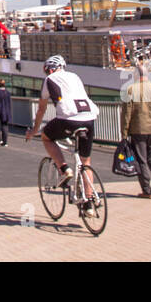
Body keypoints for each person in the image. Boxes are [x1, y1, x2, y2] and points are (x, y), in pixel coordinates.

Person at [26, 55, 99, 213]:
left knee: (47, 137)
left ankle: (64, 169)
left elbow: (41, 109)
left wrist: (34, 130)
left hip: (68, 118)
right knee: (86, 162)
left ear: (49, 69)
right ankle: (89, 203)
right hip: (89, 117)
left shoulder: (49, 80)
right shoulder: (75, 76)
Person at [120, 59, 151, 198]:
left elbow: (126, 114)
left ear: (135, 76)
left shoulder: (131, 90)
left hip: (138, 129)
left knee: (141, 160)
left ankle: (147, 191)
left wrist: (124, 133)